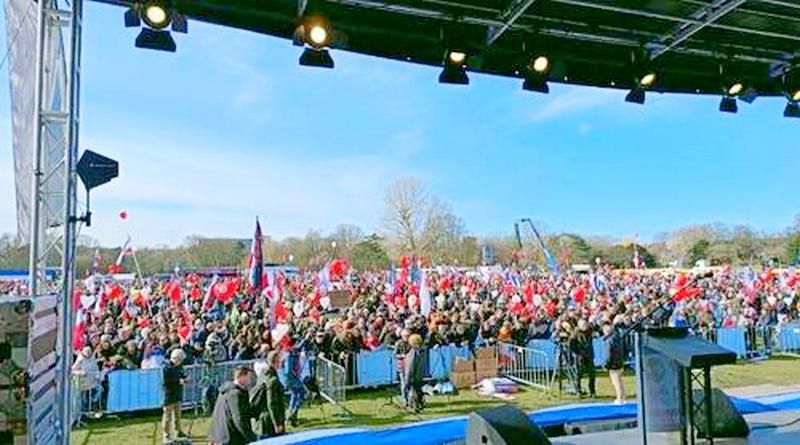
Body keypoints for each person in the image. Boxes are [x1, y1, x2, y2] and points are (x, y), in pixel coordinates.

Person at [209, 366, 257, 445]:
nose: (250, 380)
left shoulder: (225, 391)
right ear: (241, 377)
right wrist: (251, 438)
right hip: (229, 438)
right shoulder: (236, 394)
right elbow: (239, 418)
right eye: (248, 377)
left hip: (219, 435)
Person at [250, 352, 286, 438]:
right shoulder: (272, 380)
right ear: (276, 362)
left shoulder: (262, 376)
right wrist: (277, 423)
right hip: (268, 422)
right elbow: (272, 403)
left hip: (261, 420)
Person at [162, 349, 187, 444]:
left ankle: (178, 431)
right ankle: (166, 436)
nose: (181, 362)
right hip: (169, 395)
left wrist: (185, 378)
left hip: (177, 394)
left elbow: (182, 375)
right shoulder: (166, 368)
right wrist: (178, 381)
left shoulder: (179, 367)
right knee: (167, 417)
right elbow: (166, 381)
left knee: (177, 416)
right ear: (176, 359)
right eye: (180, 360)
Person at [570, 319, 596, 398]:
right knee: (578, 374)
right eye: (583, 325)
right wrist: (577, 352)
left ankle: (592, 391)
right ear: (579, 326)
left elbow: (595, 327)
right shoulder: (575, 333)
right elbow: (571, 344)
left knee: (592, 374)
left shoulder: (589, 331)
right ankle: (578, 391)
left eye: (586, 324)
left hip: (589, 355)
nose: (585, 326)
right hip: (580, 356)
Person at [603, 322, 626, 404]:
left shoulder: (609, 340)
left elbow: (608, 354)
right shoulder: (617, 337)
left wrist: (606, 365)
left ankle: (620, 398)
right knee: (620, 381)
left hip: (613, 364)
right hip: (619, 362)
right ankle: (622, 397)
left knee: (616, 382)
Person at [403, 334, 425, 413]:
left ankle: (414, 407)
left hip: (413, 376)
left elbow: (410, 367)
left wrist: (407, 380)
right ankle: (419, 405)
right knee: (418, 391)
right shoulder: (421, 351)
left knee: (413, 392)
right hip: (419, 376)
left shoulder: (412, 353)